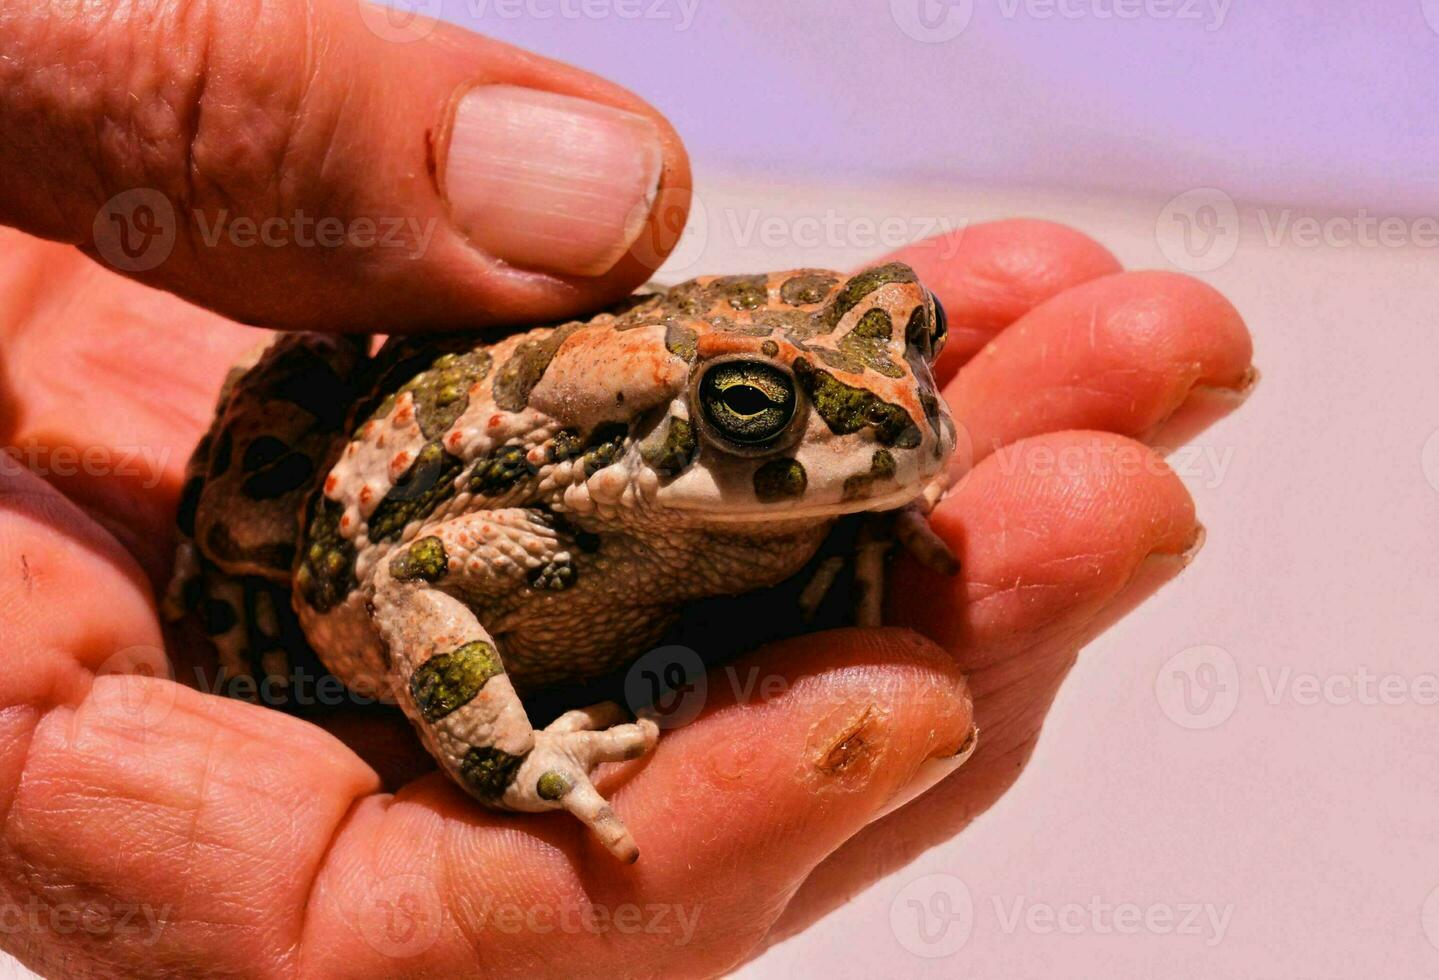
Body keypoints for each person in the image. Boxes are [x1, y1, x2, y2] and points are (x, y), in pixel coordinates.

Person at [0, 2, 1253, 976]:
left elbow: (859, 403)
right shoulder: (549, 515)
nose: (910, 408)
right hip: (367, 510)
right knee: (247, 520)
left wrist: (869, 491)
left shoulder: (800, 450)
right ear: (683, 430)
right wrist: (508, 756)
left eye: (912, 343)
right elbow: (417, 573)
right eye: (754, 412)